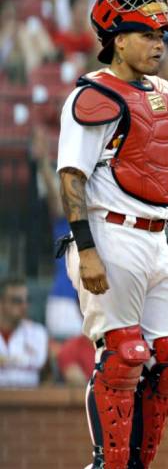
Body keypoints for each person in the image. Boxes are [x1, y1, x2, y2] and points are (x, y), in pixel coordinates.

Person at [55, 0, 168, 469]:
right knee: (123, 356)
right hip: (110, 232)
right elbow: (70, 176)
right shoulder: (93, 96)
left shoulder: (166, 94)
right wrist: (85, 248)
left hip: (154, 235)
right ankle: (108, 463)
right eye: (146, 35)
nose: (158, 45)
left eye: (161, 36)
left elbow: (160, 166)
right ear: (117, 39)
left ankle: (139, 463)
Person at [31, 127, 82, 341]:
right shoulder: (66, 216)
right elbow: (55, 198)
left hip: (96, 300)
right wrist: (42, 162)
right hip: (65, 300)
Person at [0, 276, 48, 388]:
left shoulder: (38, 333)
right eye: (17, 301)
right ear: (1, 303)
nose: (24, 306)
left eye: (27, 300)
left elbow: (43, 369)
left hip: (29, 401)